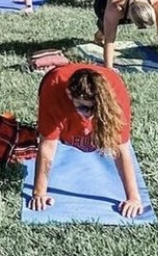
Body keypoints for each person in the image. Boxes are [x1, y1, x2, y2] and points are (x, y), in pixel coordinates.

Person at [29, 64, 144, 218]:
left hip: (108, 87)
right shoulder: (54, 89)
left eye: (94, 109)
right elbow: (48, 146)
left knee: (104, 134)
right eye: (84, 108)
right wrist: (39, 193)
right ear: (69, 95)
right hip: (55, 80)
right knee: (61, 135)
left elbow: (121, 150)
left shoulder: (116, 96)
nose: (89, 115)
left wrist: (133, 198)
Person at [93, 0, 158, 73]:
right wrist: (109, 68)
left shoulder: (157, 0)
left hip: (128, 1)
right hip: (103, 1)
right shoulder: (115, 6)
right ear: (130, 17)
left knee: (107, 28)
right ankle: (100, 31)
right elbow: (110, 40)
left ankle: (101, 31)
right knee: (107, 31)